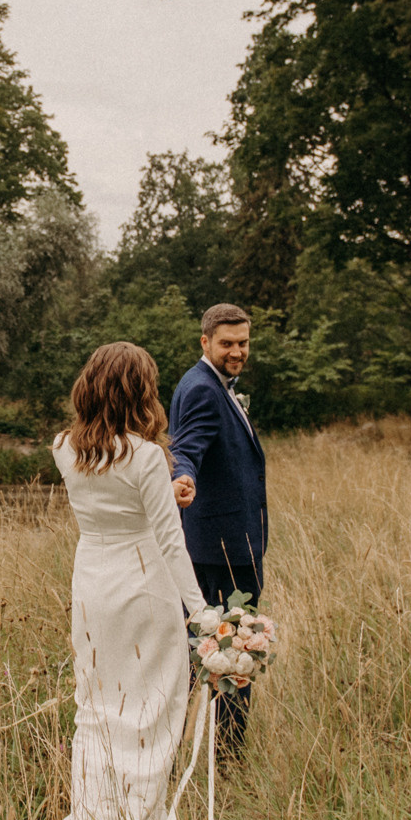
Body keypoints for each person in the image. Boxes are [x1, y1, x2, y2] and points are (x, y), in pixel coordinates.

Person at [51, 341, 208, 820]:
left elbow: (109, 500)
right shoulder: (146, 456)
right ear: (141, 392)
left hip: (92, 589)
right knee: (150, 713)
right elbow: (170, 542)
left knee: (97, 709)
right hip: (144, 589)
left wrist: (165, 491)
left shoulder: (63, 448)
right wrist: (202, 613)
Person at [168, 303, 266, 756]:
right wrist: (183, 477)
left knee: (209, 653)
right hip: (222, 550)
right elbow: (186, 447)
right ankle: (225, 755)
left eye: (243, 343)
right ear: (205, 341)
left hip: (219, 543)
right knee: (233, 652)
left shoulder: (210, 383)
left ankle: (188, 749)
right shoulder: (203, 389)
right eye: (227, 343)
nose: (237, 352)